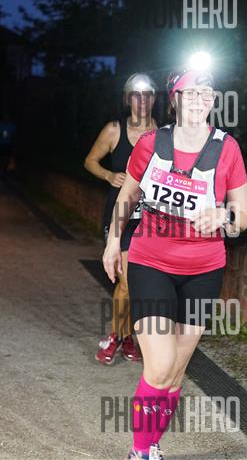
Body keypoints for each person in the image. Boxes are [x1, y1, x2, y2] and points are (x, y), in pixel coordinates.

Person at [102, 67, 247, 460]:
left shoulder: (227, 148)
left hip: (204, 270)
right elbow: (128, 196)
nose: (200, 99)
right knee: (160, 364)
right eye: (192, 92)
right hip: (151, 262)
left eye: (207, 93)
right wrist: (114, 241)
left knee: (175, 371)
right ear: (176, 99)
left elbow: (243, 216)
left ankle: (152, 443)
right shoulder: (151, 143)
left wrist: (223, 216)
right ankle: (139, 451)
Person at [85, 73, 158, 365]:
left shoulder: (163, 133)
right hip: (121, 216)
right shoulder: (114, 130)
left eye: (148, 95)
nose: (142, 101)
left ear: (154, 99)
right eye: (136, 95)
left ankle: (127, 336)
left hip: (150, 217)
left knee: (137, 285)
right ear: (128, 99)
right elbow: (90, 161)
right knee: (127, 282)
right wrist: (108, 175)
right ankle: (116, 336)